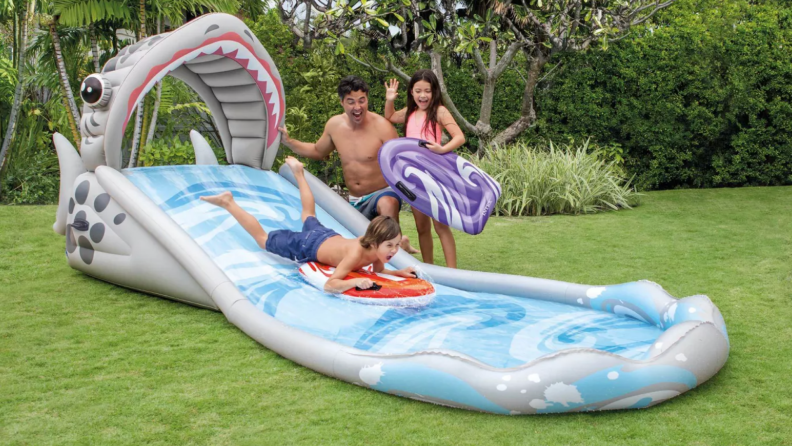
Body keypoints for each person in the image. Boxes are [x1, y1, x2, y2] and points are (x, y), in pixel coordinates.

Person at [200, 156, 416, 293]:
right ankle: (228, 202)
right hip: (308, 245)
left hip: (327, 235)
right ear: (376, 242)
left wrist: (399, 273)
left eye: (397, 245)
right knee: (263, 240)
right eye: (390, 246)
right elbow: (331, 284)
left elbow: (378, 270)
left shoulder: (375, 250)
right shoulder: (355, 255)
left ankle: (299, 173)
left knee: (308, 214)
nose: (395, 251)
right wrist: (353, 282)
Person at [277, 75, 419, 254]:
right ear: (342, 102)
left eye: (362, 100)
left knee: (388, 203)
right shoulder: (334, 126)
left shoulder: (382, 126)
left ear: (367, 99)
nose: (358, 107)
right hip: (353, 201)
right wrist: (289, 142)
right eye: (351, 102)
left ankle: (397, 248)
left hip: (381, 192)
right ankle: (397, 244)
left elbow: (400, 160)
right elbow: (317, 151)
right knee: (359, 248)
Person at [383, 69, 466, 268]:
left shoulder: (439, 111)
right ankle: (429, 268)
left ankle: (452, 271)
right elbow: (390, 116)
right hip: (412, 176)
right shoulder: (409, 112)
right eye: (418, 90)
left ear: (434, 91)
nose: (422, 95)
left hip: (434, 174)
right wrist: (390, 99)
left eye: (427, 91)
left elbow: (460, 137)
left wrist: (442, 149)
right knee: (422, 226)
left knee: (440, 225)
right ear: (411, 91)